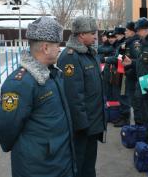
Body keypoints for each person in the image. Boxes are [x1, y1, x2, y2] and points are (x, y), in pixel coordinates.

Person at [0, 17, 76, 177]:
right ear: (45, 47)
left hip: (59, 162)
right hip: (39, 167)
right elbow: (5, 127)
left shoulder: (53, 74)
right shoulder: (21, 83)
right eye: (57, 45)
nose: (60, 49)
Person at [57, 16, 106, 177]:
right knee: (78, 165)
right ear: (80, 35)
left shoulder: (89, 53)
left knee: (89, 165)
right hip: (83, 126)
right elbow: (73, 96)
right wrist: (82, 125)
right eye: (92, 33)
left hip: (92, 123)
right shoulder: (71, 57)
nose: (95, 36)